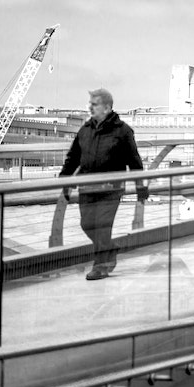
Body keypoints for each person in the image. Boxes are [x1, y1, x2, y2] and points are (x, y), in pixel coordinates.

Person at [59, 88, 147, 280]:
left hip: (111, 189)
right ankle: (110, 250)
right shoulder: (85, 130)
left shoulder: (123, 131)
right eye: (89, 103)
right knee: (87, 224)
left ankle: (100, 266)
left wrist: (141, 188)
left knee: (101, 226)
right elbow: (73, 158)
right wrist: (64, 182)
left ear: (107, 107)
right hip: (87, 186)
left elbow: (135, 162)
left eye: (94, 104)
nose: (90, 107)